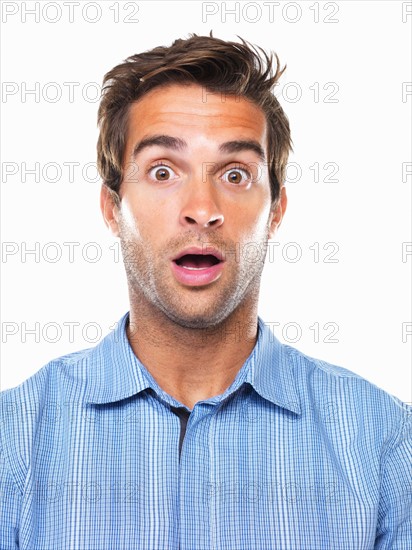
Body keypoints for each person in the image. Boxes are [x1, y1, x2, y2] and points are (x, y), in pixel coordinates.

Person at [1, 34, 410, 550]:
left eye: (235, 173)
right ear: (111, 208)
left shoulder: (385, 440)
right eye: (163, 171)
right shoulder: (15, 438)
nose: (201, 207)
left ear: (276, 211)